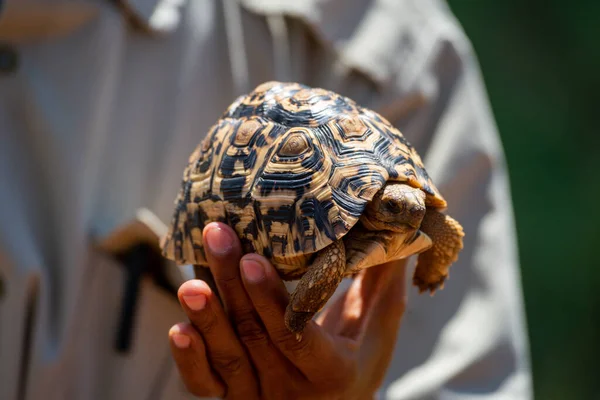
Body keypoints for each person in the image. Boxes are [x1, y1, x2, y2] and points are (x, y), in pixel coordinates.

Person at [0, 0, 532, 398]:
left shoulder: (399, 60)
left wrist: (432, 266)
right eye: (394, 208)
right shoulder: (340, 239)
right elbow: (333, 257)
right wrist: (296, 321)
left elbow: (441, 235)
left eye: (407, 205)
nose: (410, 213)